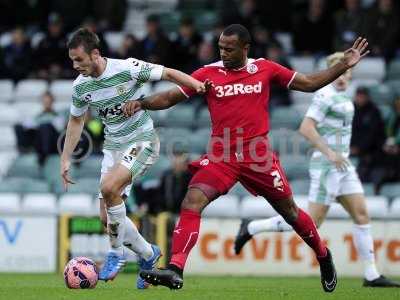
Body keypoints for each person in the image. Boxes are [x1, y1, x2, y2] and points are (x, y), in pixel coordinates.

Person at [122, 24, 370, 292]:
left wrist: (344, 64)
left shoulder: (265, 68)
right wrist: (142, 102)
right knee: (192, 200)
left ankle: (323, 254)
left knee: (290, 212)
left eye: (229, 49)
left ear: (245, 48)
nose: (224, 53)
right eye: (220, 48)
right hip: (222, 155)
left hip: (258, 156)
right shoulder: (208, 74)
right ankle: (176, 268)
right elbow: (171, 96)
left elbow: (309, 84)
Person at [233, 52, 400, 288]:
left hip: (344, 167)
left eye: (347, 72)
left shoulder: (345, 97)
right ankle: (252, 226)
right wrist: (330, 153)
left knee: (362, 215)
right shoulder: (324, 96)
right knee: (311, 222)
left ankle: (371, 274)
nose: (343, 77)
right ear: (332, 74)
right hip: (326, 166)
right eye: (339, 73)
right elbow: (306, 128)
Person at [60, 28, 208, 289]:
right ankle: (149, 254)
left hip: (142, 141)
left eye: (79, 60)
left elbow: (168, 73)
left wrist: (195, 85)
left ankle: (116, 254)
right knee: (107, 219)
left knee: (108, 188)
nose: (75, 65)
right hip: (113, 148)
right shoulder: (81, 86)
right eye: (72, 60)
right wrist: (65, 158)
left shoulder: (127, 69)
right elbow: (75, 121)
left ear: (95, 54)